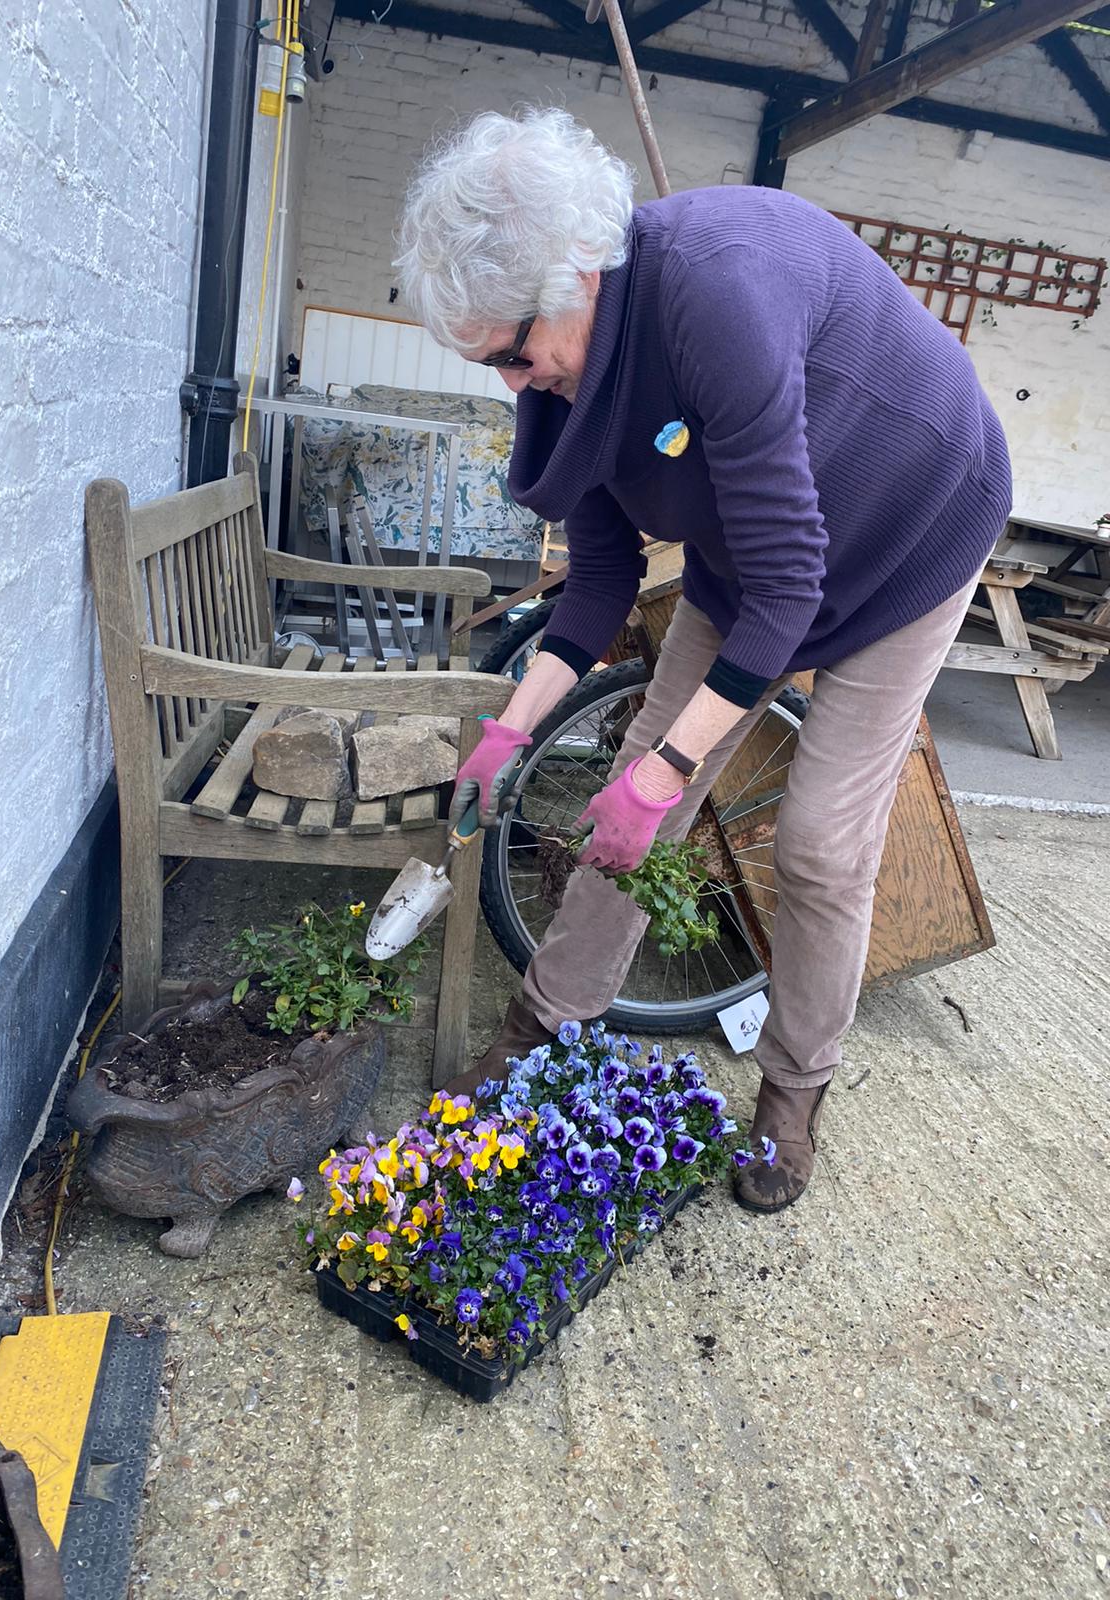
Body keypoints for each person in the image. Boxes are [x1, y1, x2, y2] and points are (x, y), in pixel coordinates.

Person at [394, 108, 1012, 1213]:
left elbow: (794, 585)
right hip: (761, 563)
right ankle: (540, 1024)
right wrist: (511, 724)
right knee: (640, 797)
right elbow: (597, 582)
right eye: (487, 360)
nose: (510, 381)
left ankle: (793, 1089)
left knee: (821, 843)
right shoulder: (561, 374)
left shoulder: (717, 290)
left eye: (511, 352)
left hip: (910, 535)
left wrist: (661, 774)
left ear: (576, 274)